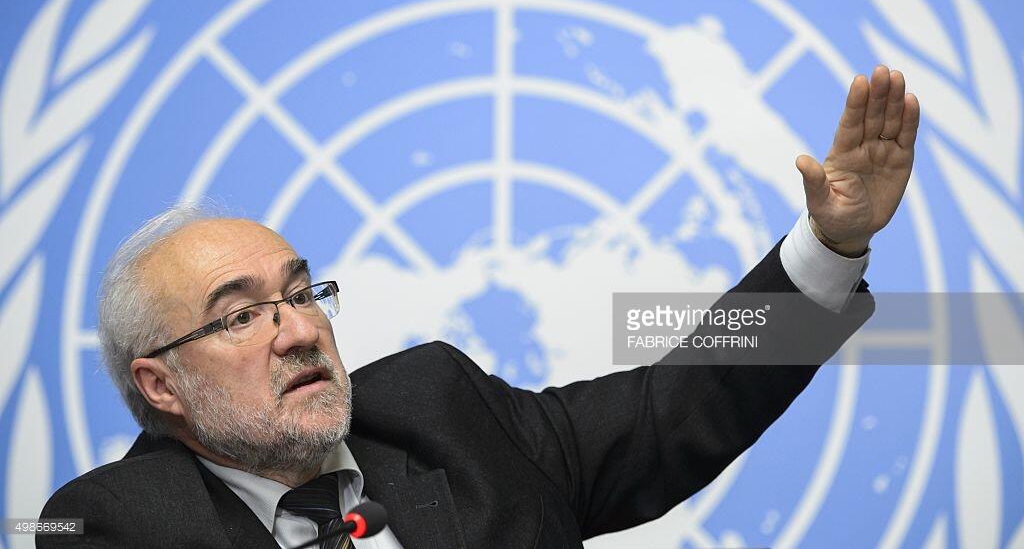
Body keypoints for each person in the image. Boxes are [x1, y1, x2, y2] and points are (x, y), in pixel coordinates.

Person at [39, 66, 919, 548]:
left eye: (304, 293)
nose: (303, 330)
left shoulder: (440, 412)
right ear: (159, 384)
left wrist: (828, 248)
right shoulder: (110, 525)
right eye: (241, 316)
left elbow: (671, 407)